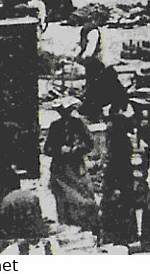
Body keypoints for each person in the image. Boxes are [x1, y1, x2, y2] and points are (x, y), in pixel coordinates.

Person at [44, 100, 99, 239]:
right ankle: (68, 231)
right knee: (64, 202)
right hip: (60, 170)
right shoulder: (54, 126)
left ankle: (87, 229)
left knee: (83, 200)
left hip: (76, 168)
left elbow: (90, 144)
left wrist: (75, 149)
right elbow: (47, 149)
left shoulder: (78, 124)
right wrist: (59, 150)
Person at [99, 110, 139, 247]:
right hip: (123, 181)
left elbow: (117, 167)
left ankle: (118, 239)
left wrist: (115, 187)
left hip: (118, 182)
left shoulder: (118, 144)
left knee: (117, 210)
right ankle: (127, 236)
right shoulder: (123, 142)